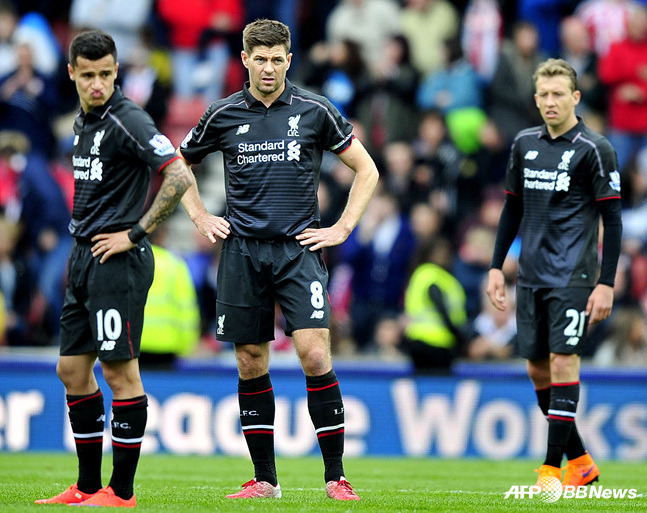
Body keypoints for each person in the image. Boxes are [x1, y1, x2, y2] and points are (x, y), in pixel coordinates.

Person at [178, 19, 379, 500]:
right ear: (245, 60)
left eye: (277, 59)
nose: (268, 68)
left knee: (314, 354)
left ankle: (336, 477)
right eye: (259, 58)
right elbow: (177, 163)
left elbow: (366, 169)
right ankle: (265, 480)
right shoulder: (222, 114)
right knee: (250, 361)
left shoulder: (314, 110)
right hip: (242, 251)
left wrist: (342, 228)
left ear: (289, 60)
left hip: (298, 250)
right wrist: (200, 216)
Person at [35, 30, 195, 507]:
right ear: (72, 74)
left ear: (116, 71)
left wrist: (135, 233)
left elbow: (179, 174)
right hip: (83, 255)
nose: (98, 84)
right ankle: (85, 487)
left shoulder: (128, 119)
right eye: (89, 75)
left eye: (106, 74)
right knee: (70, 369)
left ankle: (120, 492)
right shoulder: (84, 123)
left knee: (119, 372)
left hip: (117, 259)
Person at [487, 59, 622, 490]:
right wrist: (495, 266)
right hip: (529, 275)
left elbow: (613, 220)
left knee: (564, 362)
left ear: (575, 98)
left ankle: (551, 468)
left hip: (574, 275)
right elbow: (512, 207)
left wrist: (606, 281)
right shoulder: (524, 143)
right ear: (535, 99)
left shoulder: (594, 148)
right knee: (537, 370)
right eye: (543, 95)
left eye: (558, 94)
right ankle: (580, 460)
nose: (550, 102)